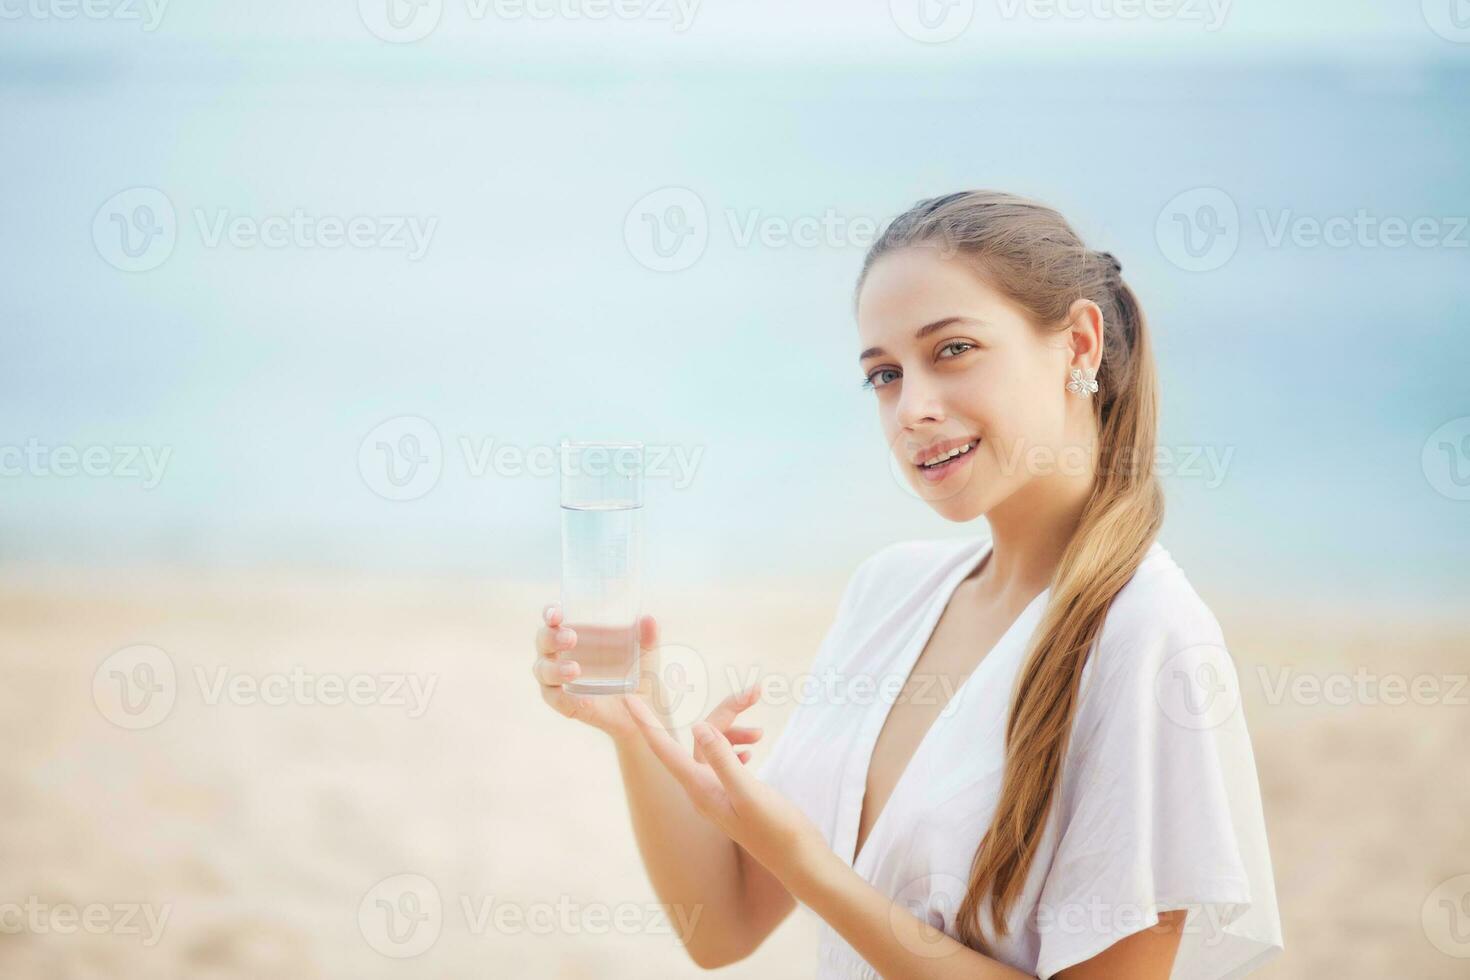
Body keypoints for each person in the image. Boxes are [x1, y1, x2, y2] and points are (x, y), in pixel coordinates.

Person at [531, 190, 1283, 978]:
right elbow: (722, 926)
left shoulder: (1149, 638)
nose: (912, 410)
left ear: (1079, 345)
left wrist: (807, 864)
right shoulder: (891, 592)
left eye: (953, 350)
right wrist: (637, 721)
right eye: (884, 375)